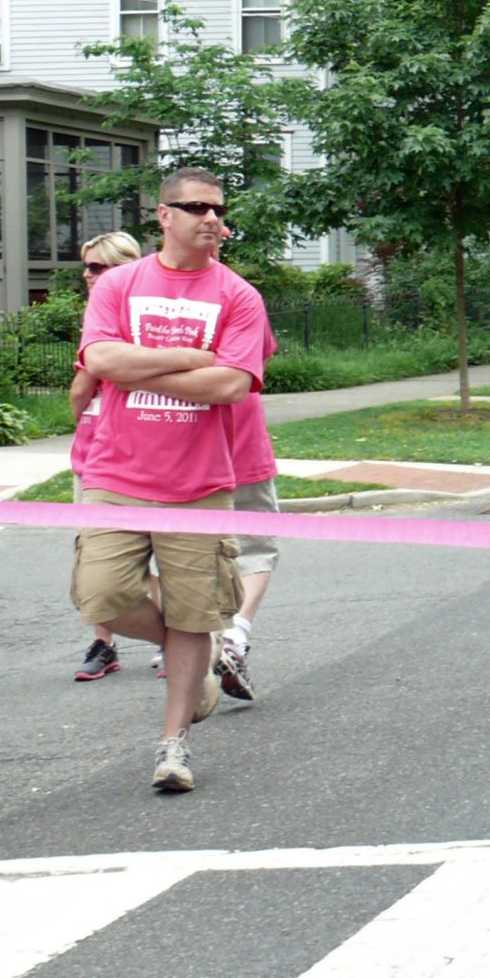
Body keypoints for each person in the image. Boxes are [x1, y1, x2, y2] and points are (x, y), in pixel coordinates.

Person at [72, 168, 272, 794]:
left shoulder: (239, 296)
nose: (210, 219)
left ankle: (174, 745)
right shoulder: (120, 285)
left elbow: (231, 385)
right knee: (99, 594)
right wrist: (193, 356)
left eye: (217, 209)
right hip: (115, 473)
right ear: (163, 216)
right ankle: (202, 653)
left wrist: (136, 370)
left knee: (190, 613)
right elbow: (100, 359)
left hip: (200, 481)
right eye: (194, 207)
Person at [210, 213, 279, 708]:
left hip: (188, 445)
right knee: (255, 548)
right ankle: (232, 637)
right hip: (238, 438)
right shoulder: (240, 296)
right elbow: (258, 361)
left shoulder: (151, 298)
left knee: (189, 550)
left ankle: (210, 639)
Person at [67, 231, 143, 683]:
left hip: (136, 445)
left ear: (121, 268)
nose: (88, 275)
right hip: (93, 450)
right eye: (88, 267)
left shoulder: (137, 314)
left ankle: (179, 639)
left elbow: (86, 381)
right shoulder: (95, 313)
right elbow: (82, 386)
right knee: (96, 555)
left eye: (97, 267)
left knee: (147, 554)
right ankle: (104, 643)